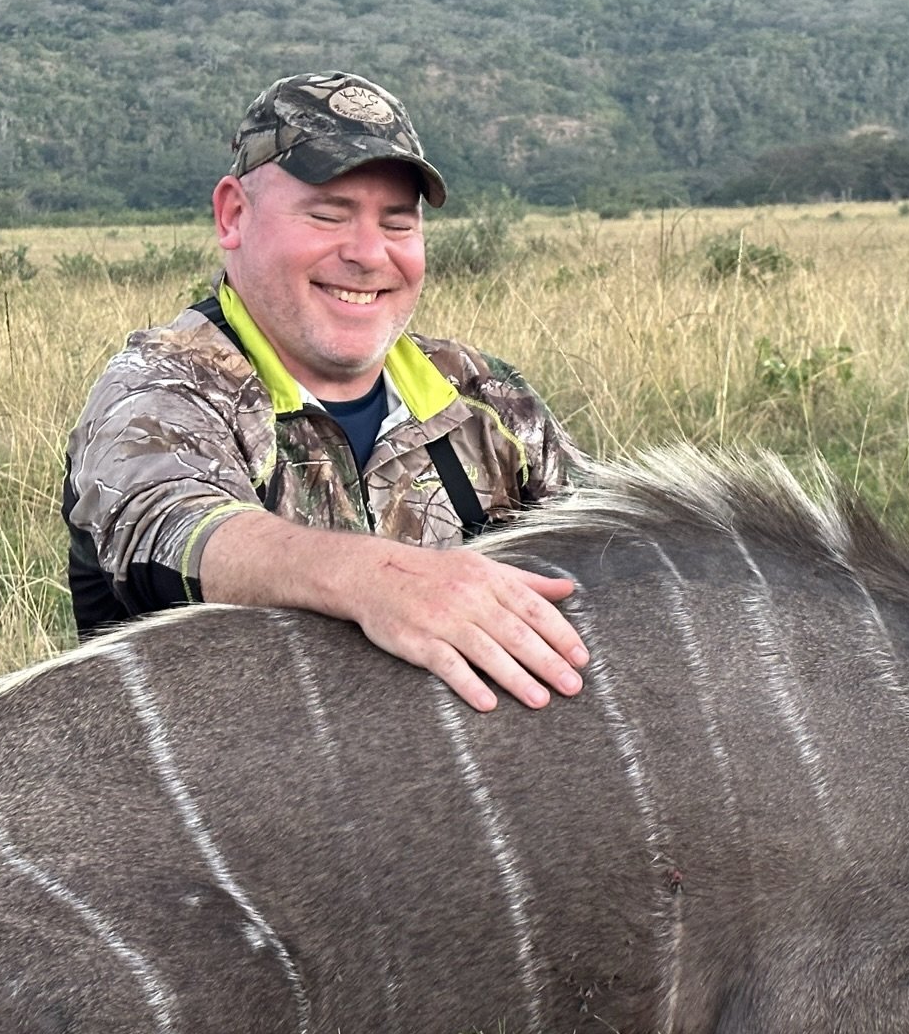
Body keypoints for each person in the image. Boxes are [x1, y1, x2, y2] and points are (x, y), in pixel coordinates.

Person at [64, 72, 587, 712]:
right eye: (327, 215)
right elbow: (173, 529)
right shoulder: (159, 387)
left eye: (397, 224)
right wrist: (379, 581)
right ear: (233, 215)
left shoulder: (489, 397)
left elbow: (601, 558)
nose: (369, 255)